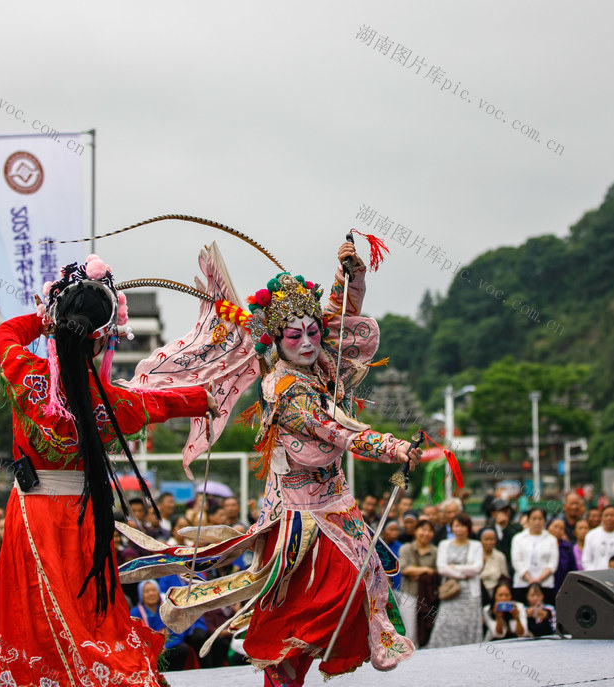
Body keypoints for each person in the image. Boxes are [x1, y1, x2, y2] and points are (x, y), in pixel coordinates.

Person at [116, 240, 423, 685]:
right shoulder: (286, 389)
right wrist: (393, 447)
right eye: (294, 335)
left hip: (338, 506)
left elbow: (337, 317)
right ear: (276, 340)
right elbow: (338, 429)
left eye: (312, 332)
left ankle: (342, 648)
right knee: (301, 614)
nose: (307, 342)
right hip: (300, 519)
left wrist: (349, 277)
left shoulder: (321, 363)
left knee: (362, 578)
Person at [0, 255, 217, 687]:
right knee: (89, 612)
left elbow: (7, 331)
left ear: (58, 326)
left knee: (37, 612)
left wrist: (46, 318)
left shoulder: (24, 375)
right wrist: (202, 399)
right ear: (102, 342)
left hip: (30, 517)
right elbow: (162, 402)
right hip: (83, 516)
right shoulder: (112, 402)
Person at [428, 514, 483, 648]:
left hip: (470, 594)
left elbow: (477, 568)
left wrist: (455, 567)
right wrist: (464, 573)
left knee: (469, 626)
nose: (460, 529)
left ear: (468, 528)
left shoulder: (476, 545)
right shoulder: (444, 544)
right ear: (451, 527)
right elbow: (442, 568)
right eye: (456, 526)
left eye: (463, 526)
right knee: (445, 624)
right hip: (450, 592)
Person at [129, 580, 192, 670]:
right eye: (147, 591)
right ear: (141, 595)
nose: (151, 594)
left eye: (154, 590)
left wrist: (165, 647)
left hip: (166, 648)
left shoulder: (166, 609)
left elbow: (177, 634)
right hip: (146, 650)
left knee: (182, 648)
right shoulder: (135, 612)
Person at [399, 518, 438, 648]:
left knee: (427, 630)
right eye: (423, 529)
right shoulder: (406, 548)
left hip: (428, 598)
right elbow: (404, 569)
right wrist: (426, 570)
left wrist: (416, 573)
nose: (426, 533)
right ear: (416, 531)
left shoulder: (435, 551)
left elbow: (436, 573)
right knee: (410, 634)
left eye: (429, 531)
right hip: (410, 595)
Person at [510, 507, 559, 604]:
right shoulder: (518, 539)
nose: (537, 522)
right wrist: (530, 580)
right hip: (522, 584)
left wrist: (538, 580)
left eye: (540, 519)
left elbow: (553, 564)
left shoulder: (551, 540)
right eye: (534, 519)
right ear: (528, 520)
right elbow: (517, 561)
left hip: (545, 584)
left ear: (544, 521)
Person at [582, 505, 614, 572]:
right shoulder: (591, 535)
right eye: (606, 515)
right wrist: (595, 575)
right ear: (601, 518)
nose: (609, 518)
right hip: (596, 577)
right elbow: (586, 561)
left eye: (612, 515)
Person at [477, 528, 509, 607]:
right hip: (479, 592)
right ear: (481, 540)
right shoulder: (476, 555)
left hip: (495, 593)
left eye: (491, 539)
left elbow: (505, 577)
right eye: (486, 539)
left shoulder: (500, 556)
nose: (489, 542)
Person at [488, 499, 521, 573]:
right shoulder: (488, 530)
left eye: (507, 510)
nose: (505, 513)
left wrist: (505, 527)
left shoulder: (517, 528)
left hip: (512, 568)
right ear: (493, 513)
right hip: (494, 568)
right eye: (501, 511)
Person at [547, 517, 578, 588]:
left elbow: (573, 568)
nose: (558, 530)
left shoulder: (567, 547)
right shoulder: (542, 544)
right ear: (548, 527)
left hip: (562, 584)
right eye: (555, 527)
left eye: (561, 528)